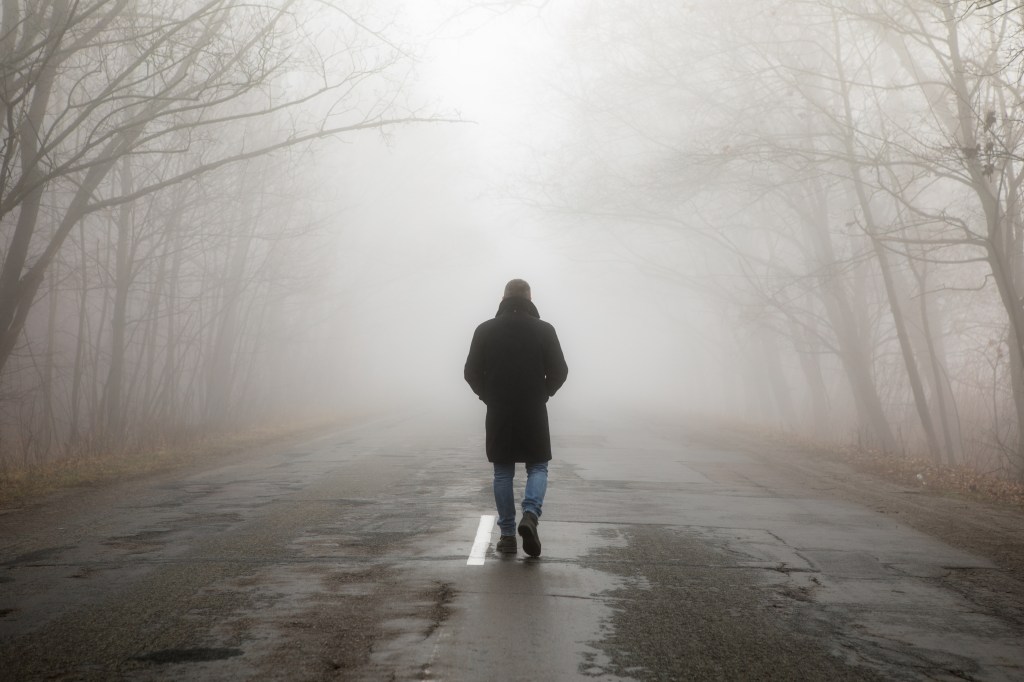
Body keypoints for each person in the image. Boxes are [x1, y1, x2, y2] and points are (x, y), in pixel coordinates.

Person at [464, 279, 568, 557]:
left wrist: (488, 396)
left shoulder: (485, 330)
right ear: (529, 299)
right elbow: (560, 370)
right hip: (533, 407)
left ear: (503, 298)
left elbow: (471, 372)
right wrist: (544, 393)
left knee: (502, 472)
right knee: (538, 466)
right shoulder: (544, 330)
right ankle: (530, 515)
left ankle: (508, 536)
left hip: (499, 409)